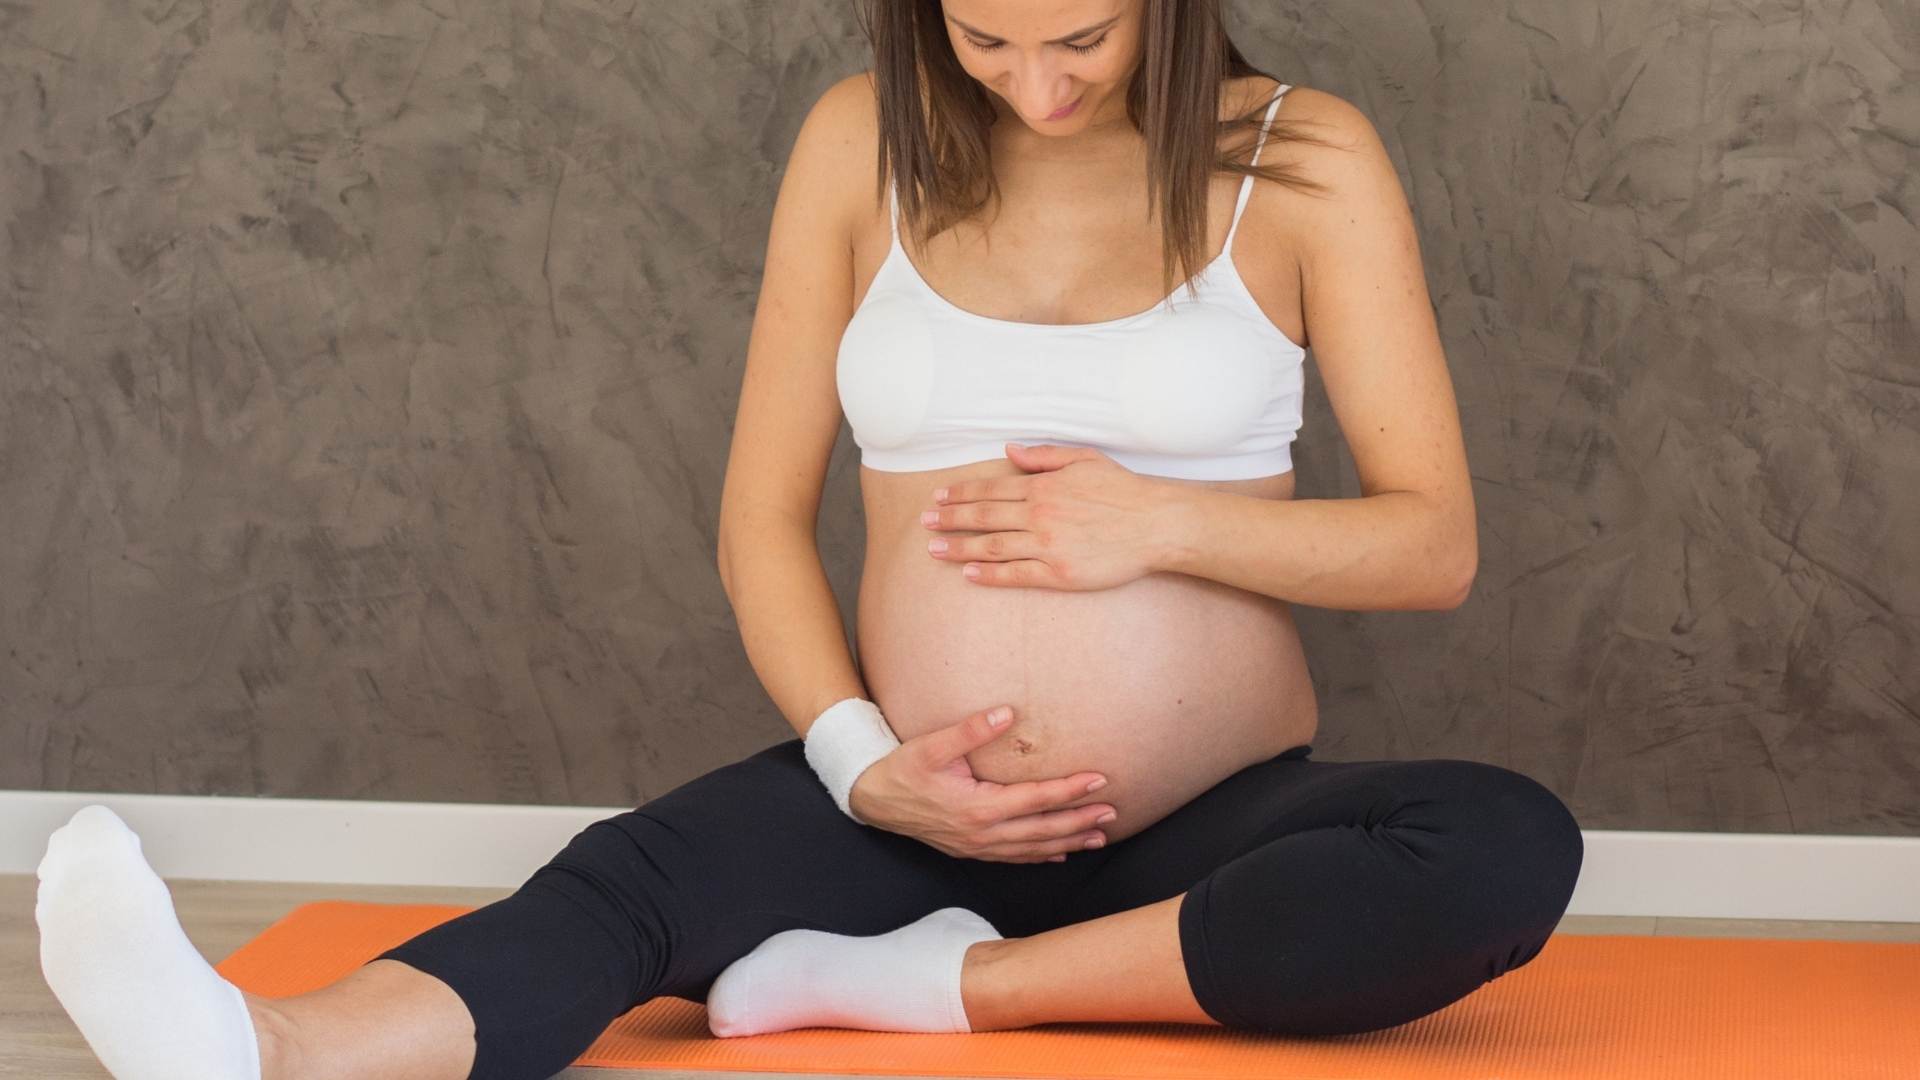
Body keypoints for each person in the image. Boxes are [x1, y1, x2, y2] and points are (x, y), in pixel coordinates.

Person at [32, 2, 1583, 1078]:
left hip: (1205, 827)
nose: (1034, 87)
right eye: (984, 40)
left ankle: (948, 987)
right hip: (904, 811)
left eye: (1082, 41)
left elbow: (1427, 544)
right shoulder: (864, 146)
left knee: (1500, 845)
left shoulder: (1306, 162)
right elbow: (761, 520)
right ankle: (257, 1048)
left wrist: (1157, 522)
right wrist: (861, 764)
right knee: (623, 886)